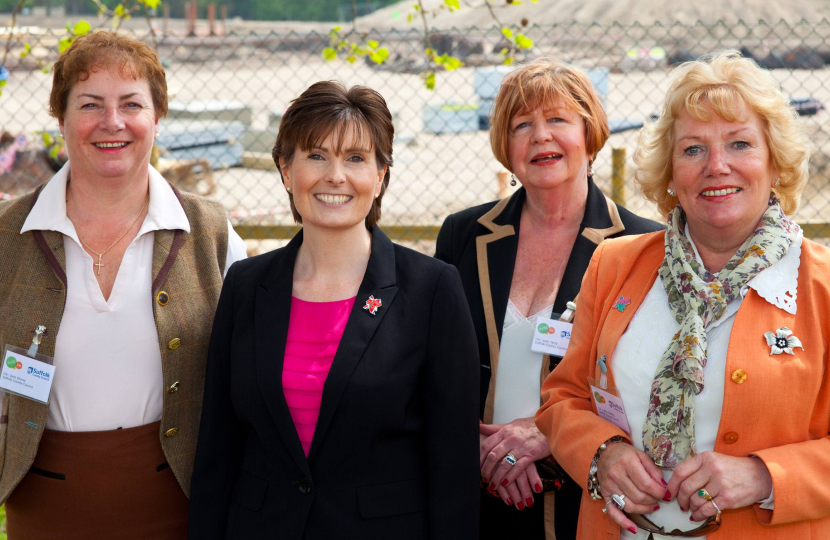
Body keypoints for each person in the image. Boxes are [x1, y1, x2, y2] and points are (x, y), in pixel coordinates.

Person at [536, 49, 830, 539]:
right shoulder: (615, 264)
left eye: (740, 144)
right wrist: (601, 453)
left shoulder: (821, 286)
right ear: (670, 174)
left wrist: (765, 477)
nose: (717, 166)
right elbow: (563, 397)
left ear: (775, 162)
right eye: (693, 149)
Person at [188, 80, 480, 540]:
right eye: (316, 155)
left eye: (356, 158)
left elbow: (454, 466)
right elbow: (217, 450)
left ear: (381, 175)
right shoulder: (245, 286)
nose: (335, 175)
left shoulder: (433, 290)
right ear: (286, 170)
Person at [0, 31, 246, 539]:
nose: (112, 123)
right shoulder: (7, 236)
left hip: (180, 509)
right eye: (90, 104)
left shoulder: (211, 234)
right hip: (43, 512)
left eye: (131, 104)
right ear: (61, 119)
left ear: (157, 117)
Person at [435, 58, 662, 539]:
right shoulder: (462, 234)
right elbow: (436, 363)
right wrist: (473, 447)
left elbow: (647, 386)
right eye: (522, 125)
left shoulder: (642, 247)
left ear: (589, 133)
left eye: (557, 119)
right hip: (474, 493)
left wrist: (549, 435)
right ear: (506, 146)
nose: (540, 136)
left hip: (579, 500)